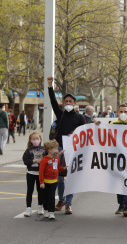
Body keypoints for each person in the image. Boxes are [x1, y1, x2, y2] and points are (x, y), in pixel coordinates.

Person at [47, 76, 86, 214]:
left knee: (71, 178)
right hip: (59, 150)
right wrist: (50, 86)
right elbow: (52, 102)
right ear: (64, 103)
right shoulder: (61, 114)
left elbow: (85, 134)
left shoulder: (80, 118)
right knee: (59, 178)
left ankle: (68, 204)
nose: (68, 103)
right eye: (66, 101)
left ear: (74, 103)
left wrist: (74, 134)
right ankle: (61, 199)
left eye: (70, 101)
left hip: (73, 150)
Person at [39, 140, 67, 220]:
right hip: (45, 182)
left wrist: (63, 168)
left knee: (51, 197)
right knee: (45, 197)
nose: (57, 150)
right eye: (55, 149)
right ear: (50, 150)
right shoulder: (45, 160)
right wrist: (41, 182)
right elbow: (41, 172)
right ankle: (46, 210)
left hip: (54, 181)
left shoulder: (57, 159)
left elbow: (58, 167)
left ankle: (51, 212)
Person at [22, 132, 46, 217]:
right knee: (30, 191)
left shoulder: (44, 149)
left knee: (41, 191)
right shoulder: (28, 150)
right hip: (30, 173)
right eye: (34, 139)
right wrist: (34, 161)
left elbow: (48, 158)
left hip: (40, 174)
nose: (36, 140)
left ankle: (40, 207)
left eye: (37, 139)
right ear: (30, 140)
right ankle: (28, 208)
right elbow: (25, 161)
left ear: (40, 140)